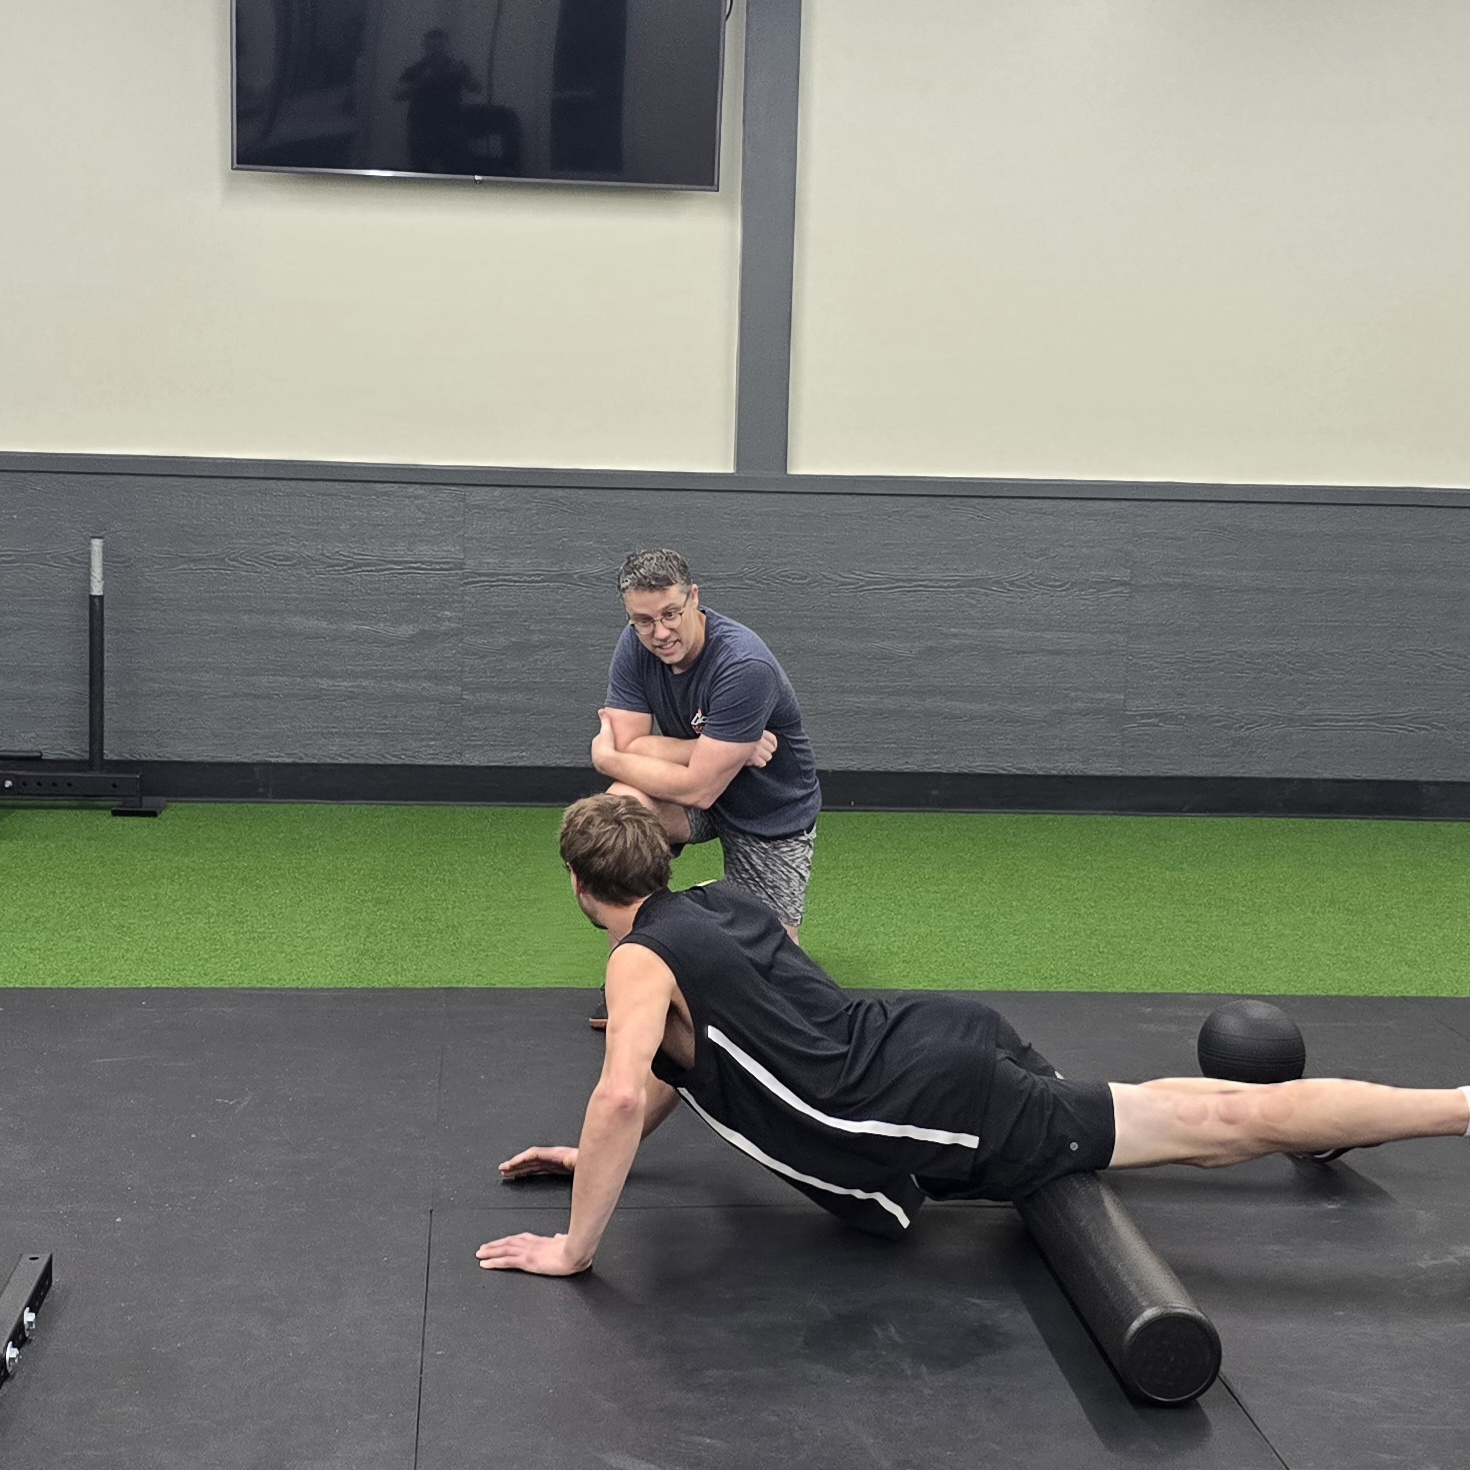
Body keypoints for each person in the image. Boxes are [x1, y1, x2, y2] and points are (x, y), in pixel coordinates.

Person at [476, 795, 1470, 1276]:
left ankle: (1455, 1109)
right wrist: (593, 1157)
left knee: (1214, 1128)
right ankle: (1341, 1120)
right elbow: (677, 1066)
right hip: (937, 1034)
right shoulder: (718, 899)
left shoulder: (638, 959)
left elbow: (620, 1088)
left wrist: (574, 1249)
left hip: (930, 1103)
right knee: (1168, 1113)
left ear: (579, 882)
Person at [593, 548, 821, 948]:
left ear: (694, 597)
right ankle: (634, 957)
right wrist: (710, 747)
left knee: (769, 958)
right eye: (644, 621)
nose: (660, 633)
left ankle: (717, 919)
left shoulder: (744, 665)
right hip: (695, 796)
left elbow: (699, 787)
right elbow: (630, 744)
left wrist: (607, 759)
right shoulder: (634, 644)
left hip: (766, 811)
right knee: (621, 814)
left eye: (670, 614)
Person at [394, 28, 481, 175]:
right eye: (431, 47)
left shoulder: (456, 67)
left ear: (445, 47)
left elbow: (477, 88)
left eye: (439, 47)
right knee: (421, 175)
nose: (435, 51)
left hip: (451, 130)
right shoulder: (416, 70)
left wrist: (463, 76)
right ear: (425, 48)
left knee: (455, 175)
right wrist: (422, 81)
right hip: (421, 130)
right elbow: (397, 94)